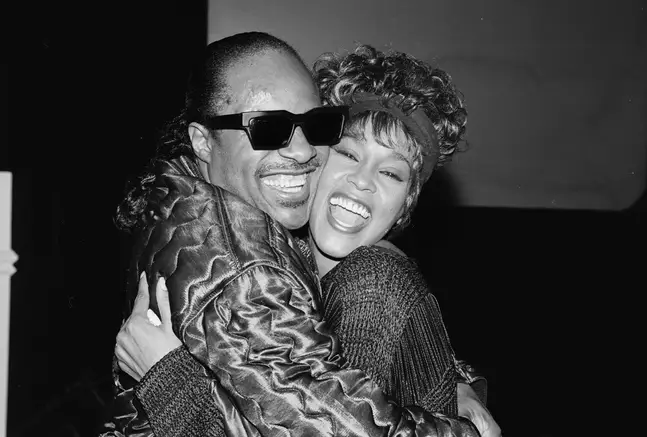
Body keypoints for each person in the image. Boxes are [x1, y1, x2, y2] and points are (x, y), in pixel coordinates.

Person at [101, 32, 496, 437]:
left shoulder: (368, 281)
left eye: (391, 173)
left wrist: (170, 379)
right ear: (202, 142)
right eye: (348, 153)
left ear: (407, 203)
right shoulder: (262, 249)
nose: (302, 151)